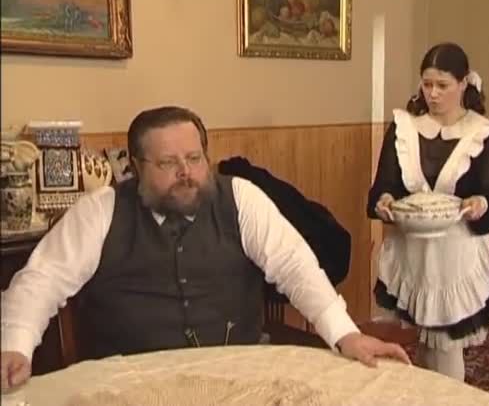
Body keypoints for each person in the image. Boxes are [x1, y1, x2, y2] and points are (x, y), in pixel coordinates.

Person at [1, 106, 410, 391]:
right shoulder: (100, 211)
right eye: (168, 163)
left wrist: (346, 335)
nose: (187, 173)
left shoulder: (242, 198)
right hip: (129, 386)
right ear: (136, 167)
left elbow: (295, 267)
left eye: (195, 158)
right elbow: (41, 280)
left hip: (239, 380)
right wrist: (15, 347)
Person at [367, 42, 489, 381]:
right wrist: (385, 199)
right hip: (413, 252)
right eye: (427, 84)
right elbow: (385, 184)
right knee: (427, 343)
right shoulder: (404, 128)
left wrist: (481, 203)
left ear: (464, 83)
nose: (432, 93)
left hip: (455, 256)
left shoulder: (483, 133)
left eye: (442, 85)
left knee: (445, 346)